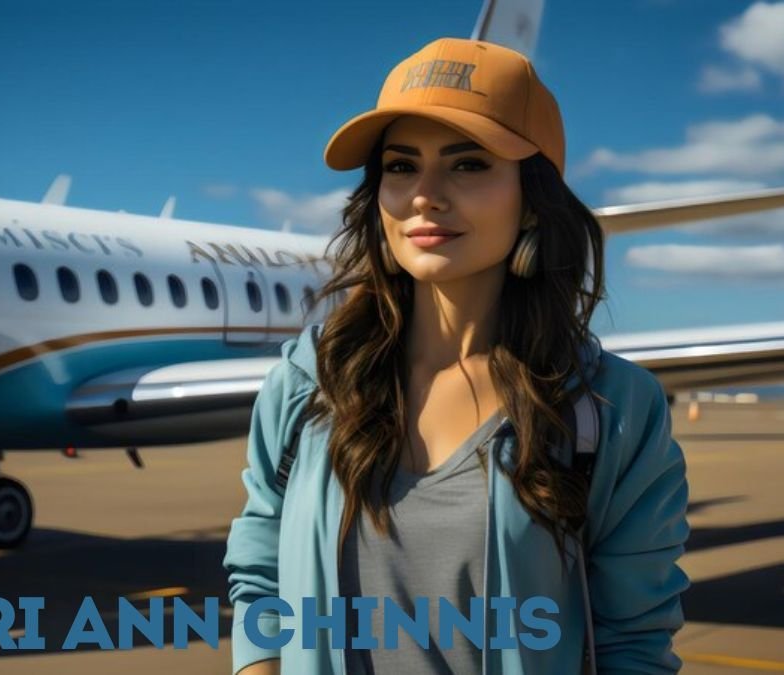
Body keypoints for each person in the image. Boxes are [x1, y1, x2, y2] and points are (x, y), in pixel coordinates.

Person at [223, 37, 690, 675]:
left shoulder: (612, 409)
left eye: (468, 164)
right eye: (400, 165)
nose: (425, 195)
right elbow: (259, 561)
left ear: (533, 200)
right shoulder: (310, 381)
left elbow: (634, 642)